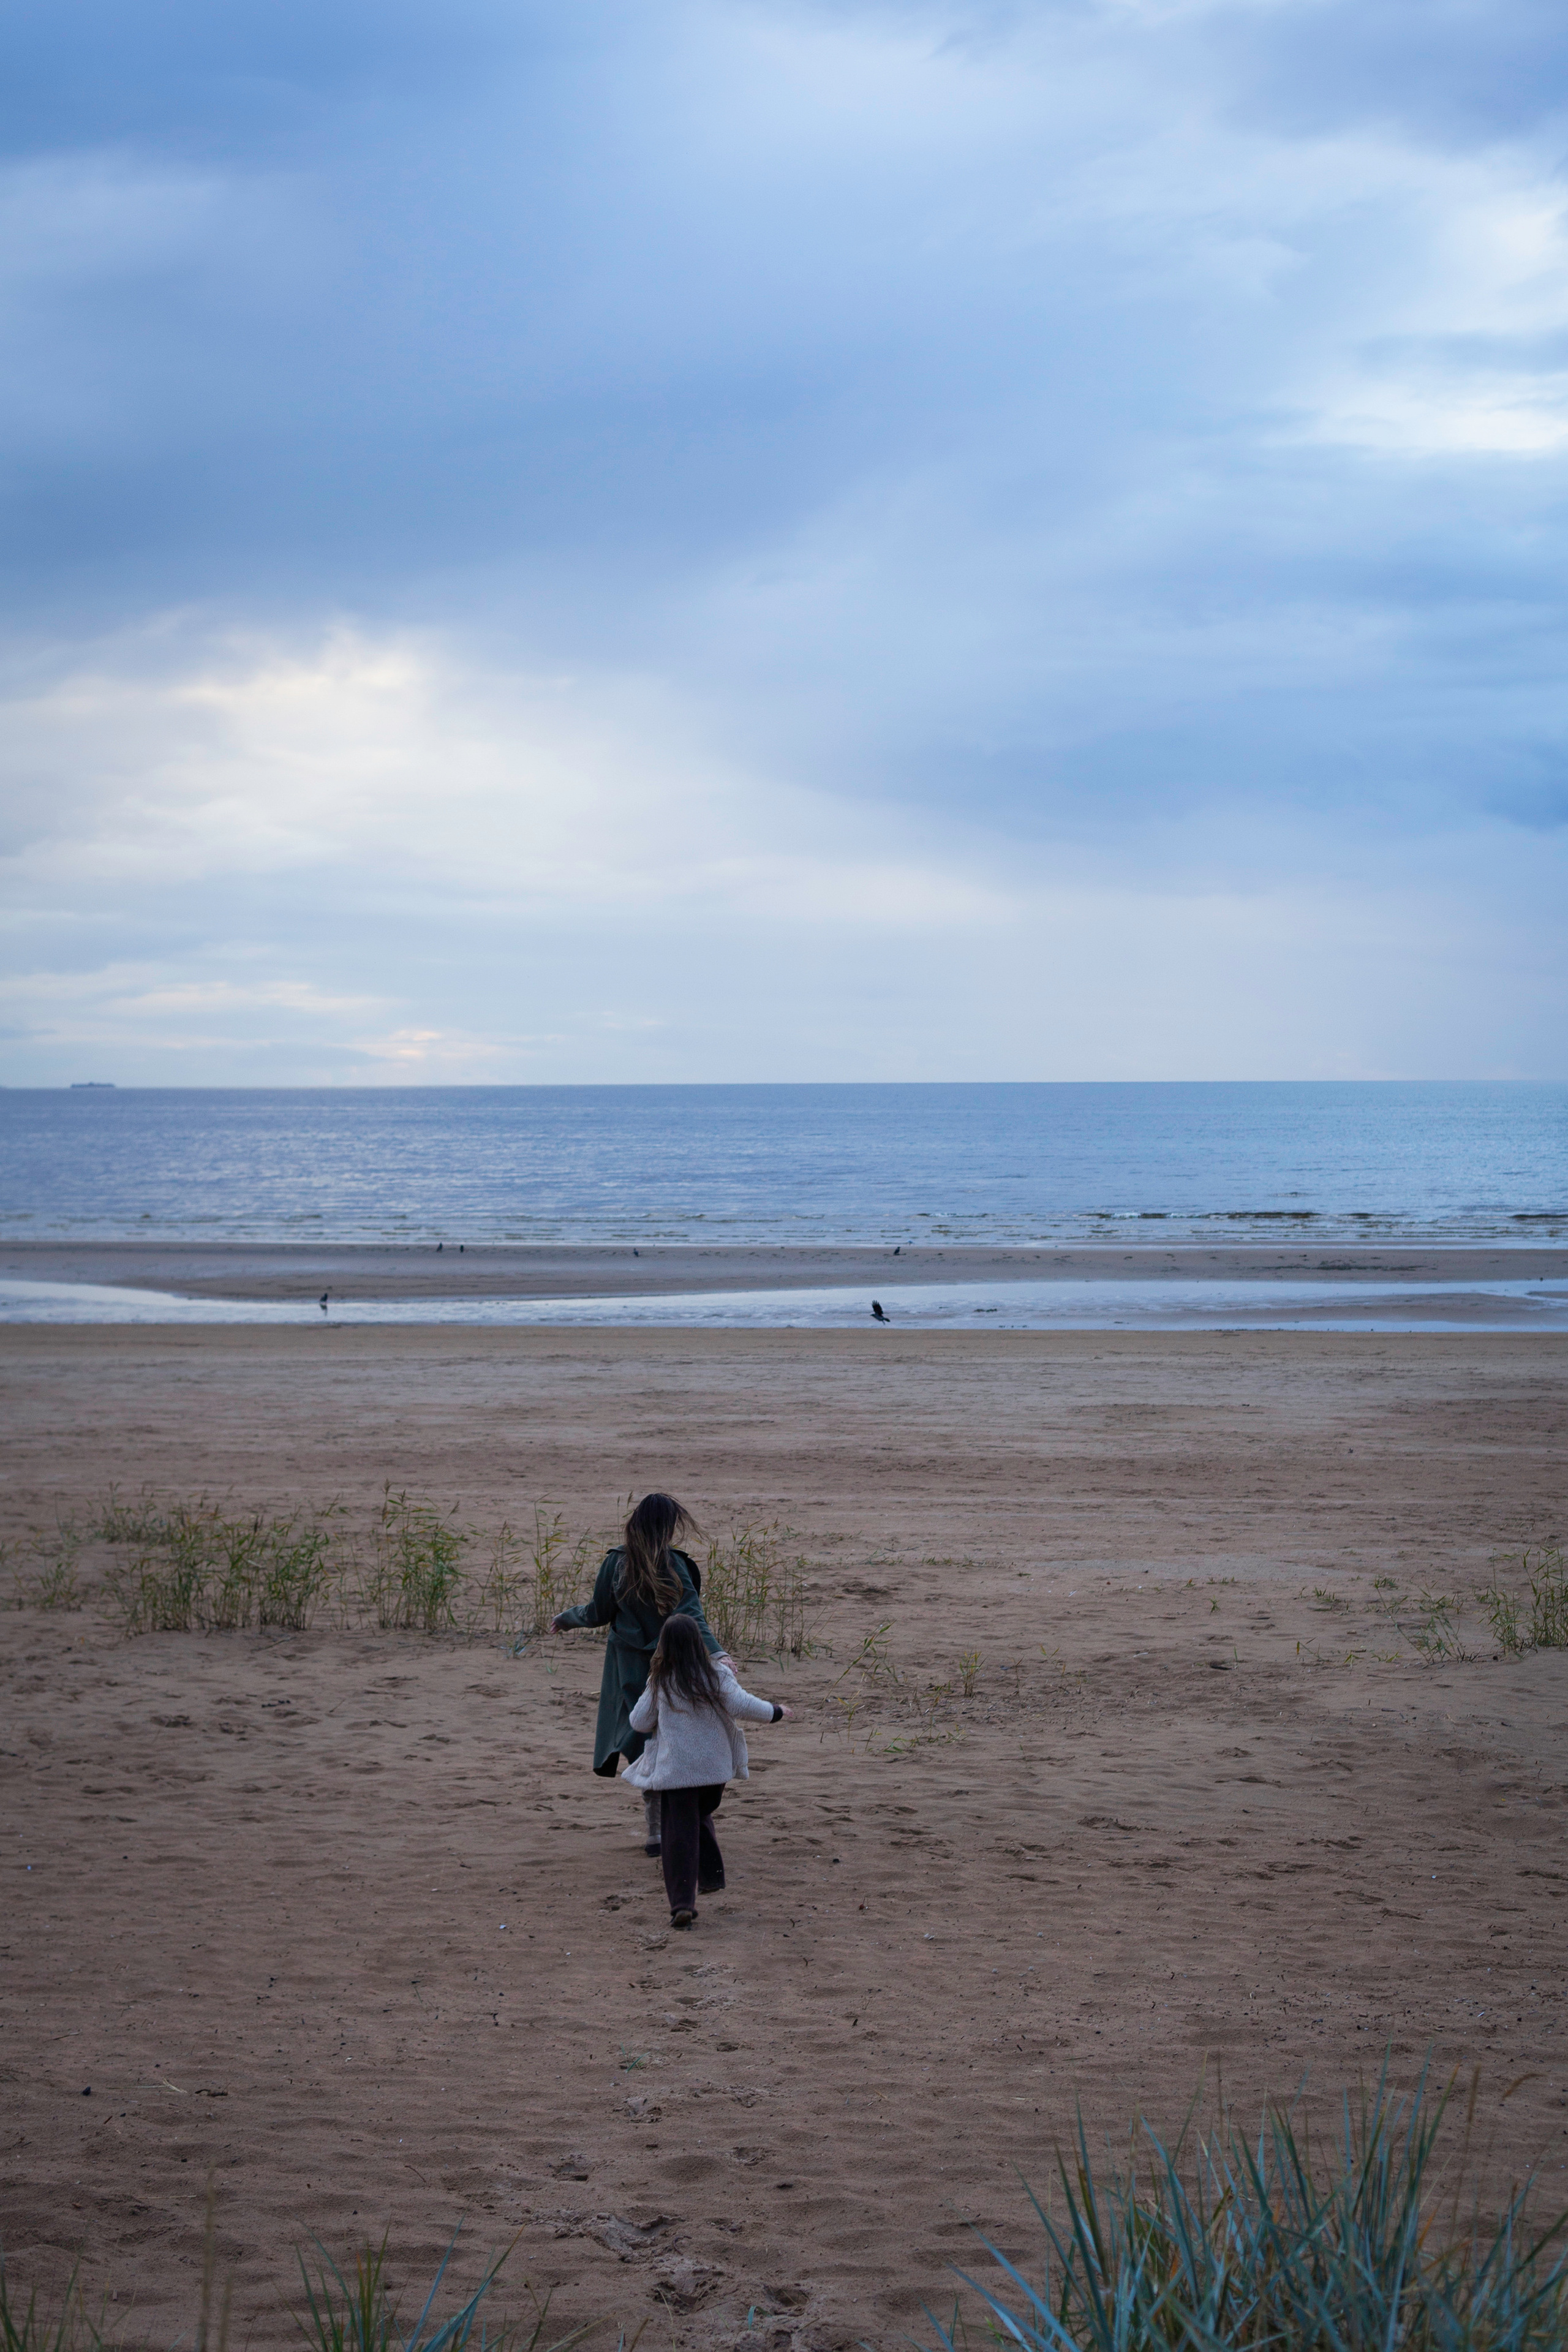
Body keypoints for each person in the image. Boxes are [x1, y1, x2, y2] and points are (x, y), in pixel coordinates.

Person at [549, 1492, 721, 1854]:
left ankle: (656, 1830)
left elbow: (597, 1612)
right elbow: (692, 1614)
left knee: (643, 1738)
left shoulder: (617, 1563)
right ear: (667, 1526)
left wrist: (567, 1618)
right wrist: (717, 1654)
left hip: (627, 1667)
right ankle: (677, 1823)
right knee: (673, 1735)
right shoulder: (674, 1564)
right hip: (671, 1664)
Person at [623, 1614, 793, 1928]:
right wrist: (776, 1712)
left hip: (677, 1772)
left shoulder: (661, 1680)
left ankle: (682, 1904)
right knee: (699, 1815)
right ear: (698, 1643)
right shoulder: (716, 1673)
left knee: (678, 1835)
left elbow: (639, 1722)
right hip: (714, 1773)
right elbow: (743, 1704)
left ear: (664, 1646)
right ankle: (711, 1876)